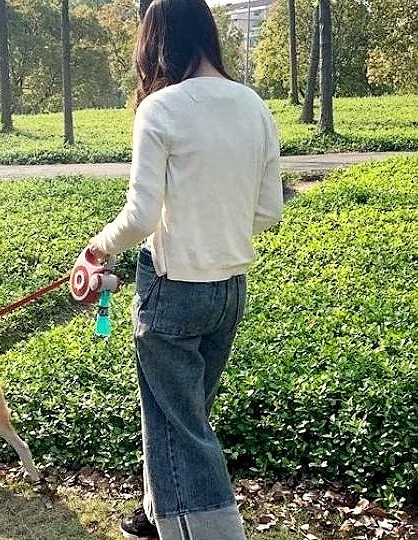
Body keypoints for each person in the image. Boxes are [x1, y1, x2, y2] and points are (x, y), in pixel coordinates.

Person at [82, 0, 284, 538]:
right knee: (184, 417)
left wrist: (97, 250)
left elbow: (141, 216)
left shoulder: (161, 109)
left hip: (173, 289)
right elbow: (269, 212)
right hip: (229, 290)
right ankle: (153, 513)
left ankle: (214, 530)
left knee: (181, 429)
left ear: (157, 42)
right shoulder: (255, 106)